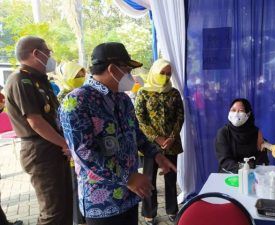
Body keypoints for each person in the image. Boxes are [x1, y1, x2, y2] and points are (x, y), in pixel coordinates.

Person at [59, 42, 176, 225]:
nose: (131, 75)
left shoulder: (122, 99)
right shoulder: (76, 102)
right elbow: (85, 152)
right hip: (103, 202)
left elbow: (136, 132)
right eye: (127, 69)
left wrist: (156, 155)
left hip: (130, 195)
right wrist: (127, 177)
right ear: (113, 69)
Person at [4, 36, 72, 225]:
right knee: (53, 212)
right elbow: (35, 122)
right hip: (40, 151)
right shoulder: (20, 80)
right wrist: (65, 144)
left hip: (53, 147)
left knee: (65, 207)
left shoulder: (40, 80)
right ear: (36, 53)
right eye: (48, 52)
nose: (50, 55)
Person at [134, 59, 184, 224]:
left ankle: (172, 210)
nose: (165, 76)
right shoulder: (143, 93)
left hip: (172, 143)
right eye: (162, 72)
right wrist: (156, 138)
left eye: (168, 73)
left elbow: (180, 117)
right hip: (149, 145)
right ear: (155, 71)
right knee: (148, 179)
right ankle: (149, 212)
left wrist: (171, 137)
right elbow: (140, 119)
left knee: (170, 178)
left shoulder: (174, 93)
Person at [55, 61, 87, 225]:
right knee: (75, 188)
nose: (81, 78)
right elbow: (59, 126)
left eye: (82, 75)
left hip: (85, 149)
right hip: (70, 150)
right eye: (77, 76)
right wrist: (67, 146)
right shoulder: (61, 98)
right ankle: (78, 220)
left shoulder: (85, 94)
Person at [215, 98, 268, 174]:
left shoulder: (256, 133)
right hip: (228, 175)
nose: (236, 113)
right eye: (233, 110)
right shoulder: (223, 133)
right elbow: (225, 161)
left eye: (241, 111)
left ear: (248, 114)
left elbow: (262, 159)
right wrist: (244, 167)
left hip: (252, 174)